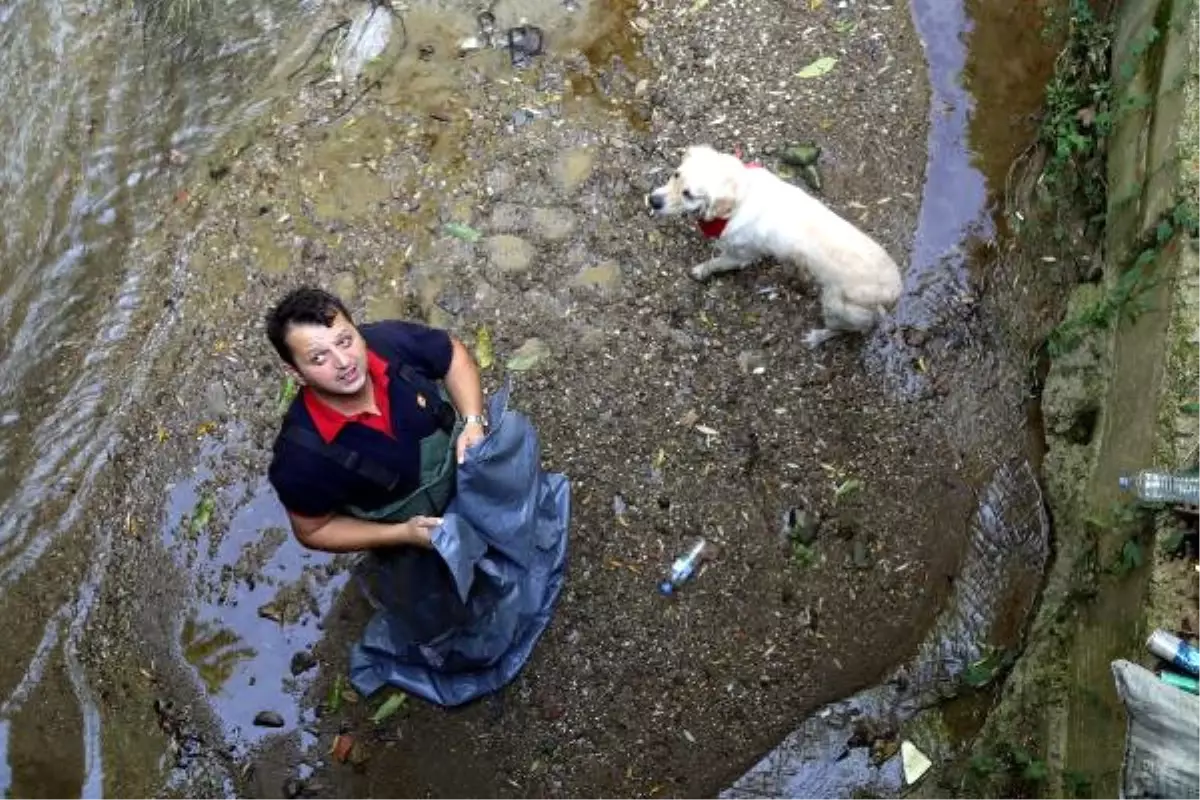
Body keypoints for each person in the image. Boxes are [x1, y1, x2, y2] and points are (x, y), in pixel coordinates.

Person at [264, 286, 489, 553]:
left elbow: (452, 355)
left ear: (356, 330)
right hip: (412, 533)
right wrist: (402, 534)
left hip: (471, 471)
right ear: (296, 373)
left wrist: (473, 420)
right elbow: (314, 530)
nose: (343, 362)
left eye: (345, 341)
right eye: (318, 357)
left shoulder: (388, 342)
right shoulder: (299, 458)